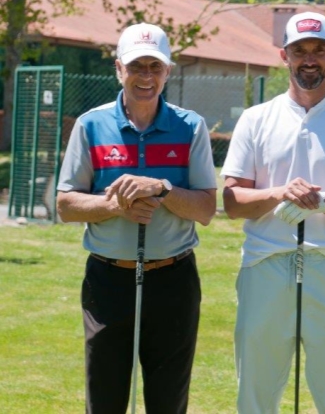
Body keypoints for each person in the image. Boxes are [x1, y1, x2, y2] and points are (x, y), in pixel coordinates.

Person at [221, 11, 325, 413]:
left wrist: (322, 203)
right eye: (300, 50)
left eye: (319, 50)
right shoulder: (256, 120)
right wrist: (281, 194)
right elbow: (232, 202)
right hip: (265, 265)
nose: (309, 58)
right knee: (255, 394)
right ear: (284, 55)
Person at [56, 23, 217, 414]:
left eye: (155, 67)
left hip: (173, 280)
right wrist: (115, 206)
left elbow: (206, 209)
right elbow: (65, 204)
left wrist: (162, 188)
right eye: (136, 67)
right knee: (106, 399)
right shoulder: (91, 125)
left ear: (168, 72)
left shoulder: (191, 126)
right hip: (108, 281)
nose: (146, 77)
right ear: (118, 69)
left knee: (167, 401)